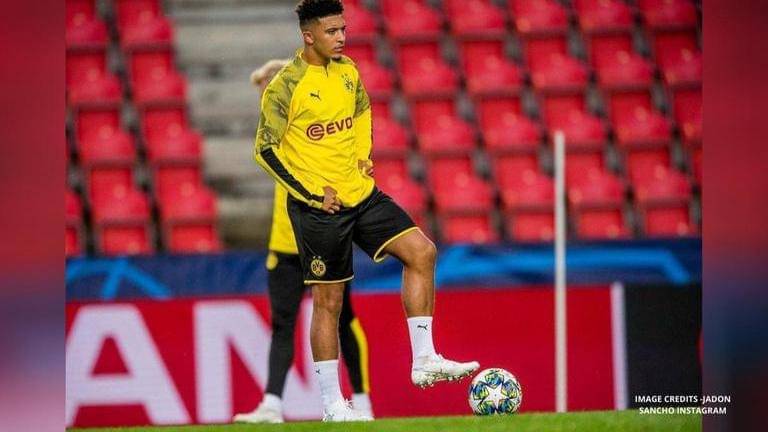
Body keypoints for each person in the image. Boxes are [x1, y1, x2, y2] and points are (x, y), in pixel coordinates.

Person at [253, 0, 479, 422]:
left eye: (343, 29)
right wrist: (311, 193)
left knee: (422, 251)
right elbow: (264, 150)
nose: (341, 37)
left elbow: (361, 112)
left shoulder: (348, 71)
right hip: (319, 211)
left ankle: (424, 358)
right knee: (329, 303)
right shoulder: (285, 86)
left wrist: (361, 156)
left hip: (361, 195)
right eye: (332, 31)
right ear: (308, 36)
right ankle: (332, 406)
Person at [233, 58, 374, 424]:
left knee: (343, 319)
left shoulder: (309, 126)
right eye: (264, 88)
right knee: (283, 324)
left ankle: (361, 401)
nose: (266, 94)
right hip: (284, 246)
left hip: (322, 239)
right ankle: (272, 404)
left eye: (271, 86)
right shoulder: (274, 129)